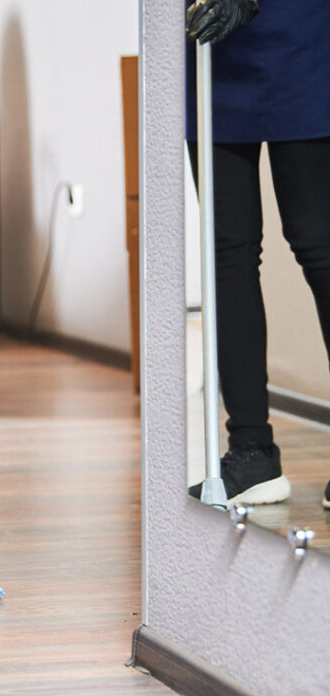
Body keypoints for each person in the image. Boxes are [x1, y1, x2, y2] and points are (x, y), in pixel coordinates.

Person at [184, 0, 330, 507]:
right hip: (210, 45)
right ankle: (251, 453)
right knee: (227, 252)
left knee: (320, 246)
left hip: (304, 36)